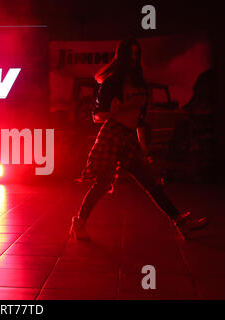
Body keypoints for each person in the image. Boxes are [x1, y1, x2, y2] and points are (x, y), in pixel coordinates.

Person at [70, 38, 207, 241]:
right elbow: (97, 116)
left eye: (137, 54)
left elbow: (140, 121)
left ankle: (181, 223)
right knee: (103, 183)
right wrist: (115, 111)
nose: (134, 58)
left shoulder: (141, 84)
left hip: (129, 136)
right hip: (112, 134)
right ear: (122, 57)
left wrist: (145, 151)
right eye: (130, 54)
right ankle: (79, 223)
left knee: (150, 181)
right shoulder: (112, 83)